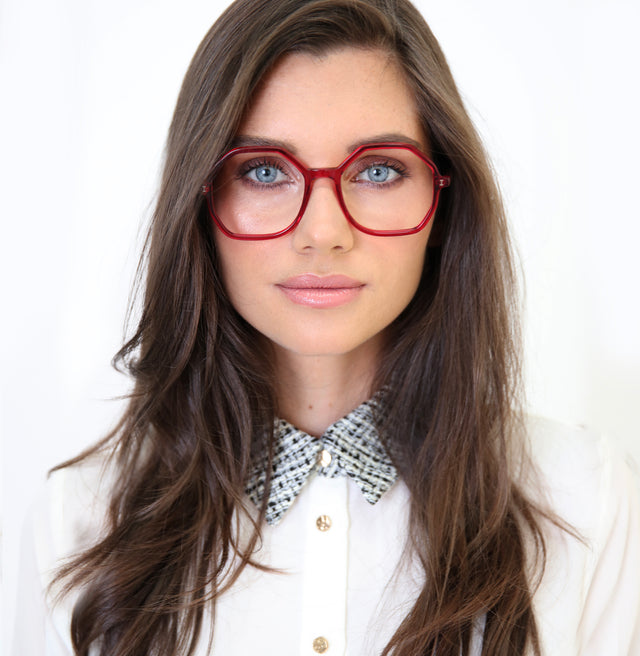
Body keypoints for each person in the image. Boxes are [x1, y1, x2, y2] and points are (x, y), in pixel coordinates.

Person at [13, 0, 640, 654]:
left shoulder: (584, 504)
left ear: (441, 202)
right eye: (263, 171)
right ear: (200, 199)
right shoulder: (78, 525)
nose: (323, 232)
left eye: (377, 170)